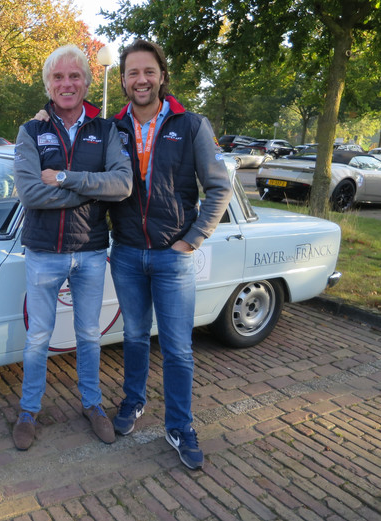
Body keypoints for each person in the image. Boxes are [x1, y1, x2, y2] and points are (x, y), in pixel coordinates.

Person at [108, 40, 232, 470]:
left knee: (178, 348)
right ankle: (134, 401)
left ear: (162, 75)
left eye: (148, 71)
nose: (140, 80)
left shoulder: (192, 125)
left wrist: (193, 239)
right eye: (131, 73)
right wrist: (42, 116)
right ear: (122, 80)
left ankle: (180, 425)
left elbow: (220, 186)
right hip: (125, 254)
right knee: (135, 337)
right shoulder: (111, 127)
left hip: (172, 256)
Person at [12, 44, 132, 451]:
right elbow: (29, 193)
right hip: (44, 252)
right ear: (48, 83)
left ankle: (92, 404)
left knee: (88, 334)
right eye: (58, 77)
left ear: (86, 82)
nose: (67, 84)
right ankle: (29, 411)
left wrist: (64, 178)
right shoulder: (32, 130)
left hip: (93, 251)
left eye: (74, 76)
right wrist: (91, 190)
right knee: (37, 338)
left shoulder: (105, 131)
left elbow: (122, 184)